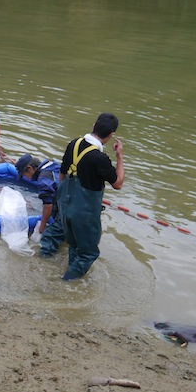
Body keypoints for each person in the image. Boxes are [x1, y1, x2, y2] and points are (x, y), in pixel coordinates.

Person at [41, 112, 124, 281]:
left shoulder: (74, 143)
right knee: (87, 253)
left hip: (65, 206)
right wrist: (120, 156)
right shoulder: (100, 158)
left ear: (94, 125)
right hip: (84, 213)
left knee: (73, 244)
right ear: (110, 135)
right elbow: (118, 184)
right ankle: (67, 284)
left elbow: (62, 175)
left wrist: (61, 203)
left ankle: (49, 265)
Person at [15, 153, 63, 244]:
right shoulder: (51, 164)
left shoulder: (43, 180)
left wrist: (42, 225)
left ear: (29, 168)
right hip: (79, 197)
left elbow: (48, 205)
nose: (27, 178)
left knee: (49, 240)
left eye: (24, 175)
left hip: (70, 204)